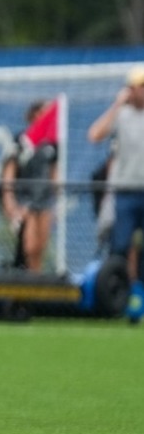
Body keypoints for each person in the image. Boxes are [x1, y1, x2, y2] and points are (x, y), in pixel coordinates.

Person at [87, 67, 144, 313]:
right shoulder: (122, 115)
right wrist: (116, 105)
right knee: (123, 246)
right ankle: (129, 297)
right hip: (126, 191)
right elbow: (95, 134)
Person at [1, 100, 59, 272]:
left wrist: (56, 200)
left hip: (45, 199)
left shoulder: (52, 145)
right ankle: (28, 279)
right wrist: (9, 199)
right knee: (30, 246)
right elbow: (9, 171)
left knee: (41, 246)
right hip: (26, 199)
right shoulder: (22, 141)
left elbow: (54, 173)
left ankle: (37, 280)